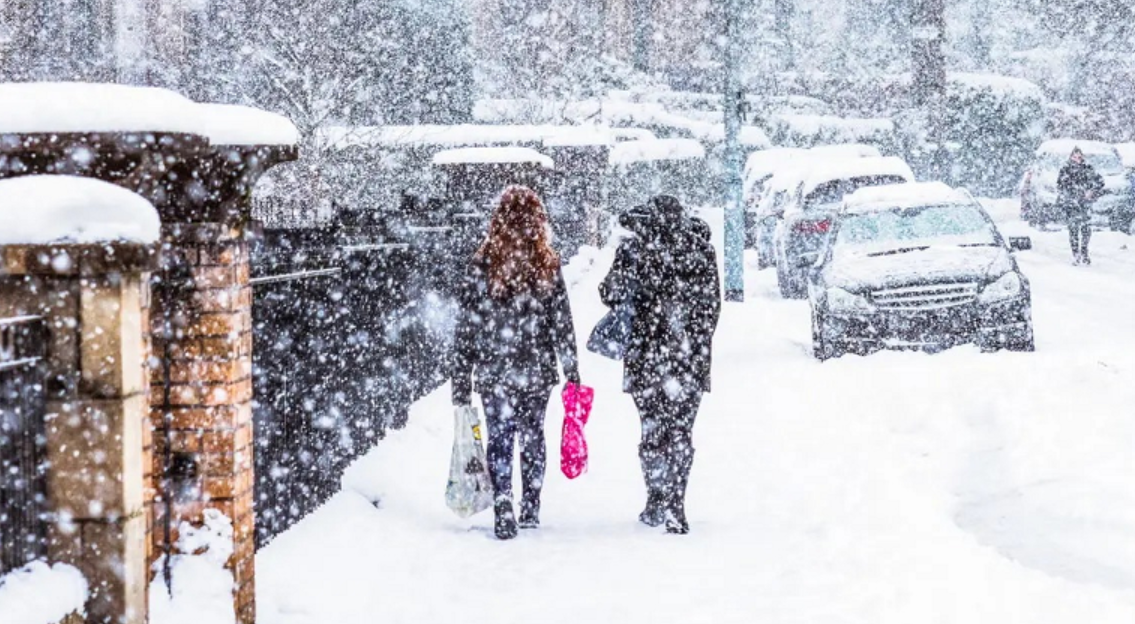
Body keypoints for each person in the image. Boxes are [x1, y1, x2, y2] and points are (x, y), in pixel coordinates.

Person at [451, 185, 580, 540]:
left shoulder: (483, 262)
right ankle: (531, 504)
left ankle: (504, 499)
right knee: (533, 434)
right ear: (539, 220)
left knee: (500, 436)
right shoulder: (547, 262)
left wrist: (461, 379)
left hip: (495, 368)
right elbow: (561, 321)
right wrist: (571, 370)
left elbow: (467, 325)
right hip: (536, 367)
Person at [599, 195, 721, 535]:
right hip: (689, 359)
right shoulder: (700, 251)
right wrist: (694, 343)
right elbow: (712, 308)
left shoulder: (633, 251)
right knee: (681, 430)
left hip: (645, 356)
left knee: (652, 429)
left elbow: (611, 294)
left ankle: (655, 498)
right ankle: (676, 503)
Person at [1057, 147, 1105, 265]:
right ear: (1071, 157)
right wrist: (1069, 196)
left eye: (1079, 157)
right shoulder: (1065, 169)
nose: (1077, 159)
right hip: (1071, 204)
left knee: (1086, 229)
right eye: (1075, 157)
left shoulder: (1088, 169)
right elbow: (1060, 185)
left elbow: (1100, 182)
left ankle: (1084, 252)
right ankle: (1075, 254)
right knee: (1073, 229)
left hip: (1085, 204)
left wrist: (1092, 192)